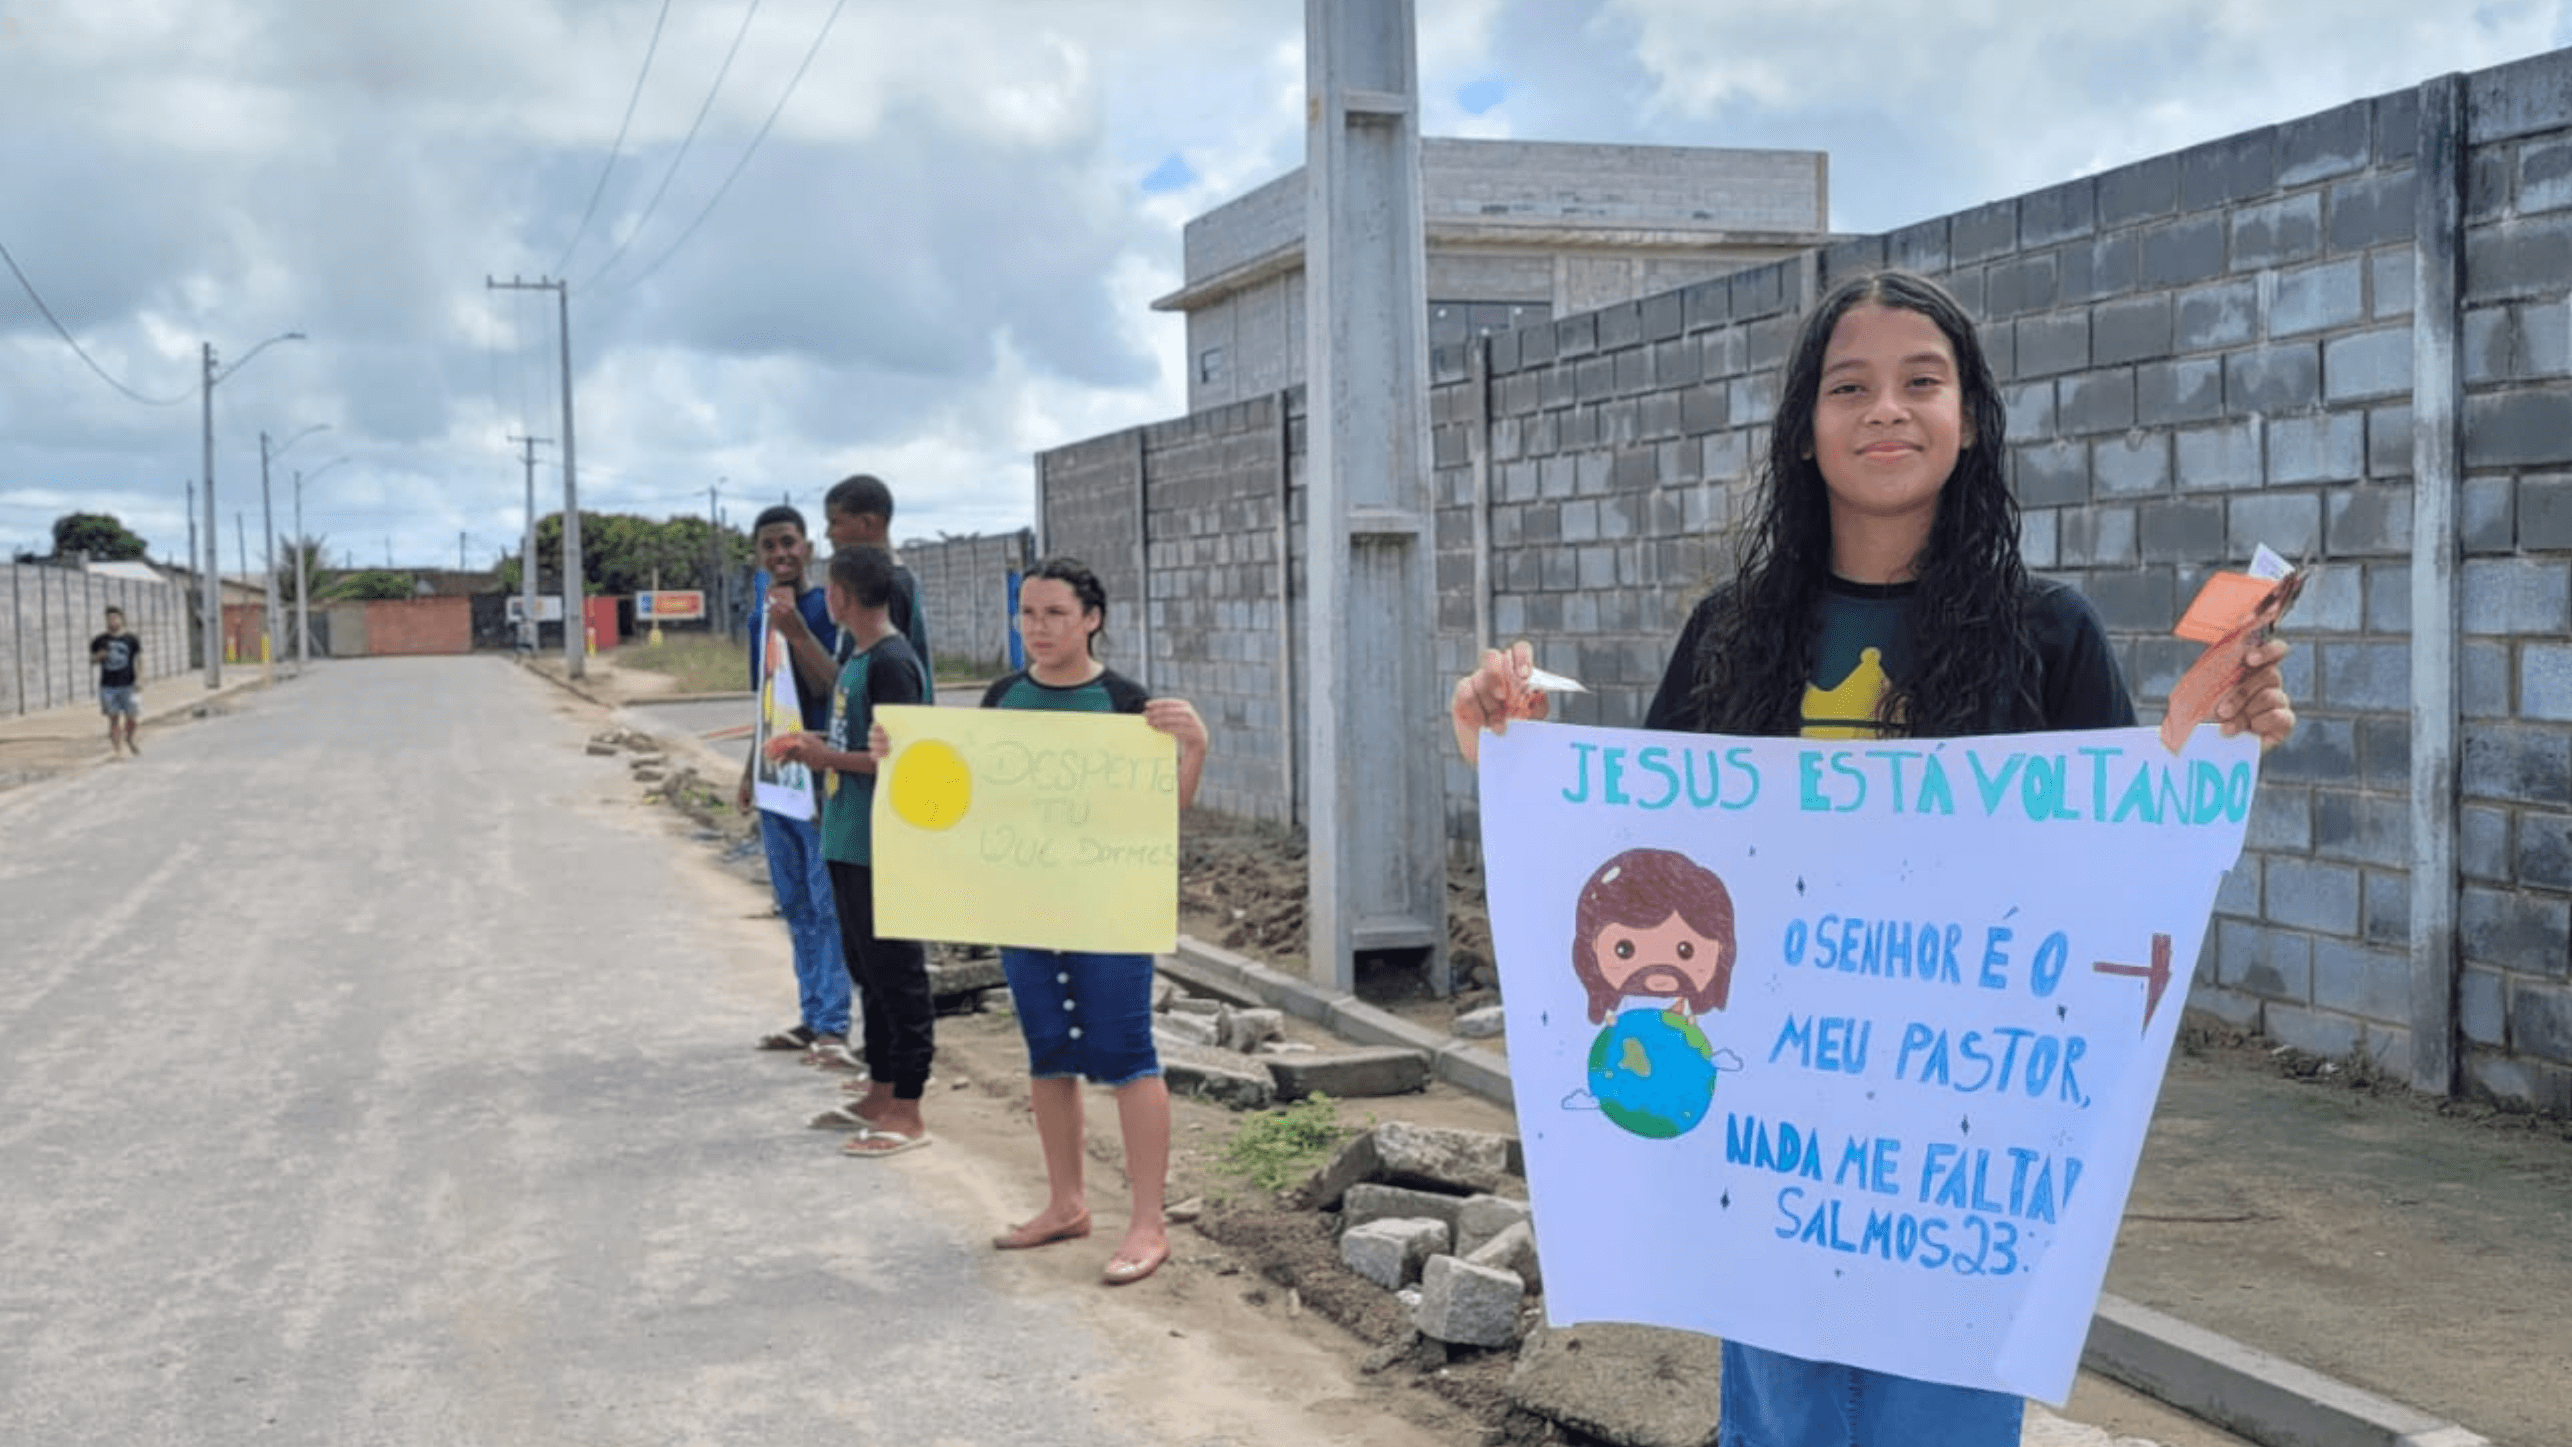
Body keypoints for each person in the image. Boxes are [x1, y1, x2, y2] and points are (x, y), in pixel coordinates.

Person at [1450, 270, 2297, 1447]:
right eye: (1849, 386)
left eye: (1921, 382)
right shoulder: (1730, 633)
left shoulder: (2049, 635)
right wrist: (1516, 761)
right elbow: (1639, 862)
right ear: (1805, 431)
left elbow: (2127, 870)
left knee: (1941, 1418)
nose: (1885, 410)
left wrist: (2214, 751)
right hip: (1771, 1128)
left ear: (1969, 418)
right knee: (1782, 1417)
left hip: (1957, 1146)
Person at [877, 556, 1207, 1285]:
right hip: (1025, 905)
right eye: (1027, 612)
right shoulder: (1003, 698)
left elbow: (1164, 814)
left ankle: (1149, 1223)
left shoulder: (1126, 703)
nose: (1038, 627)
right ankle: (1066, 1203)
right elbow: (970, 795)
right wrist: (902, 759)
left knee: (1127, 1053)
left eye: (1055, 613)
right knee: (1048, 1050)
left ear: (1092, 618)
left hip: (1109, 907)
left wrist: (1196, 748)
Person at [768, 547, 935, 1156]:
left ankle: (910, 1109)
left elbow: (909, 759)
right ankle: (881, 1086)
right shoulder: (858, 658)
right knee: (866, 969)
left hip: (880, 842)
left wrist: (827, 759)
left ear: (843, 596)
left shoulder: (893, 661)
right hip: (845, 835)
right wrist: (816, 743)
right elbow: (857, 742)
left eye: (830, 589)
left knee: (897, 974)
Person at [735, 505, 852, 1060]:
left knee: (826, 900)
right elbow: (766, 697)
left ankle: (834, 1023)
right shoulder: (760, 617)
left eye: (789, 543)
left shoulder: (825, 609)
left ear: (807, 547)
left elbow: (835, 686)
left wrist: (798, 632)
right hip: (776, 776)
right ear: (758, 555)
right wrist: (749, 770)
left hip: (817, 773)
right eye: (769, 547)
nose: (780, 554)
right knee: (796, 901)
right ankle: (811, 1015)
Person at [822, 473, 933, 702]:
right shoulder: (897, 578)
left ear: (867, 524)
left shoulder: (888, 585)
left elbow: (888, 675)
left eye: (835, 523)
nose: (828, 534)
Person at [90, 607, 141, 756]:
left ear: (121, 619)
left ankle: (130, 738)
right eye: (109, 618)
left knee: (132, 717)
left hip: (129, 684)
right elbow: (92, 660)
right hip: (108, 685)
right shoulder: (100, 640)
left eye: (115, 618)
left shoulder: (131, 639)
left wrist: (140, 679)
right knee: (113, 718)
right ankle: (117, 750)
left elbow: (139, 660)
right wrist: (99, 656)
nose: (112, 621)